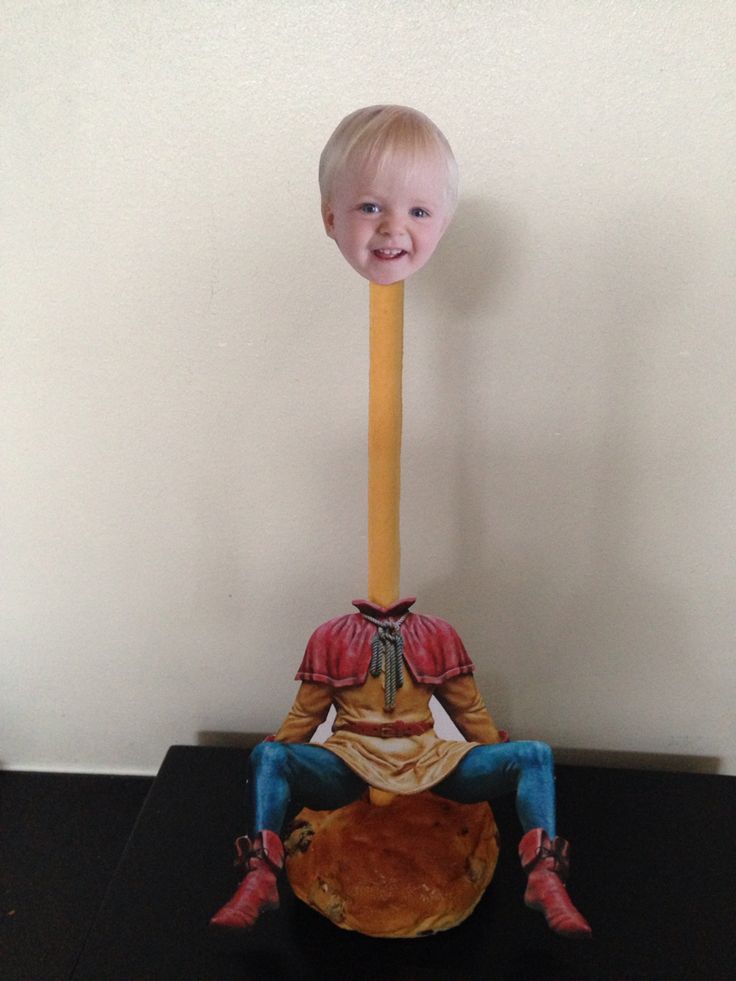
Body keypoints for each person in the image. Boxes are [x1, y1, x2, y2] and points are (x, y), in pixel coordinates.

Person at [211, 108, 591, 939]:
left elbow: (476, 719)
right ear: (332, 219)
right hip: (349, 767)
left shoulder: (436, 638)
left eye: (419, 211)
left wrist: (474, 762)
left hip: (432, 764)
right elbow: (300, 722)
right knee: (270, 755)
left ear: (444, 224)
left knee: (529, 755)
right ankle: (262, 873)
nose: (392, 229)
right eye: (371, 207)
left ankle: (544, 876)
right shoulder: (333, 642)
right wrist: (280, 768)